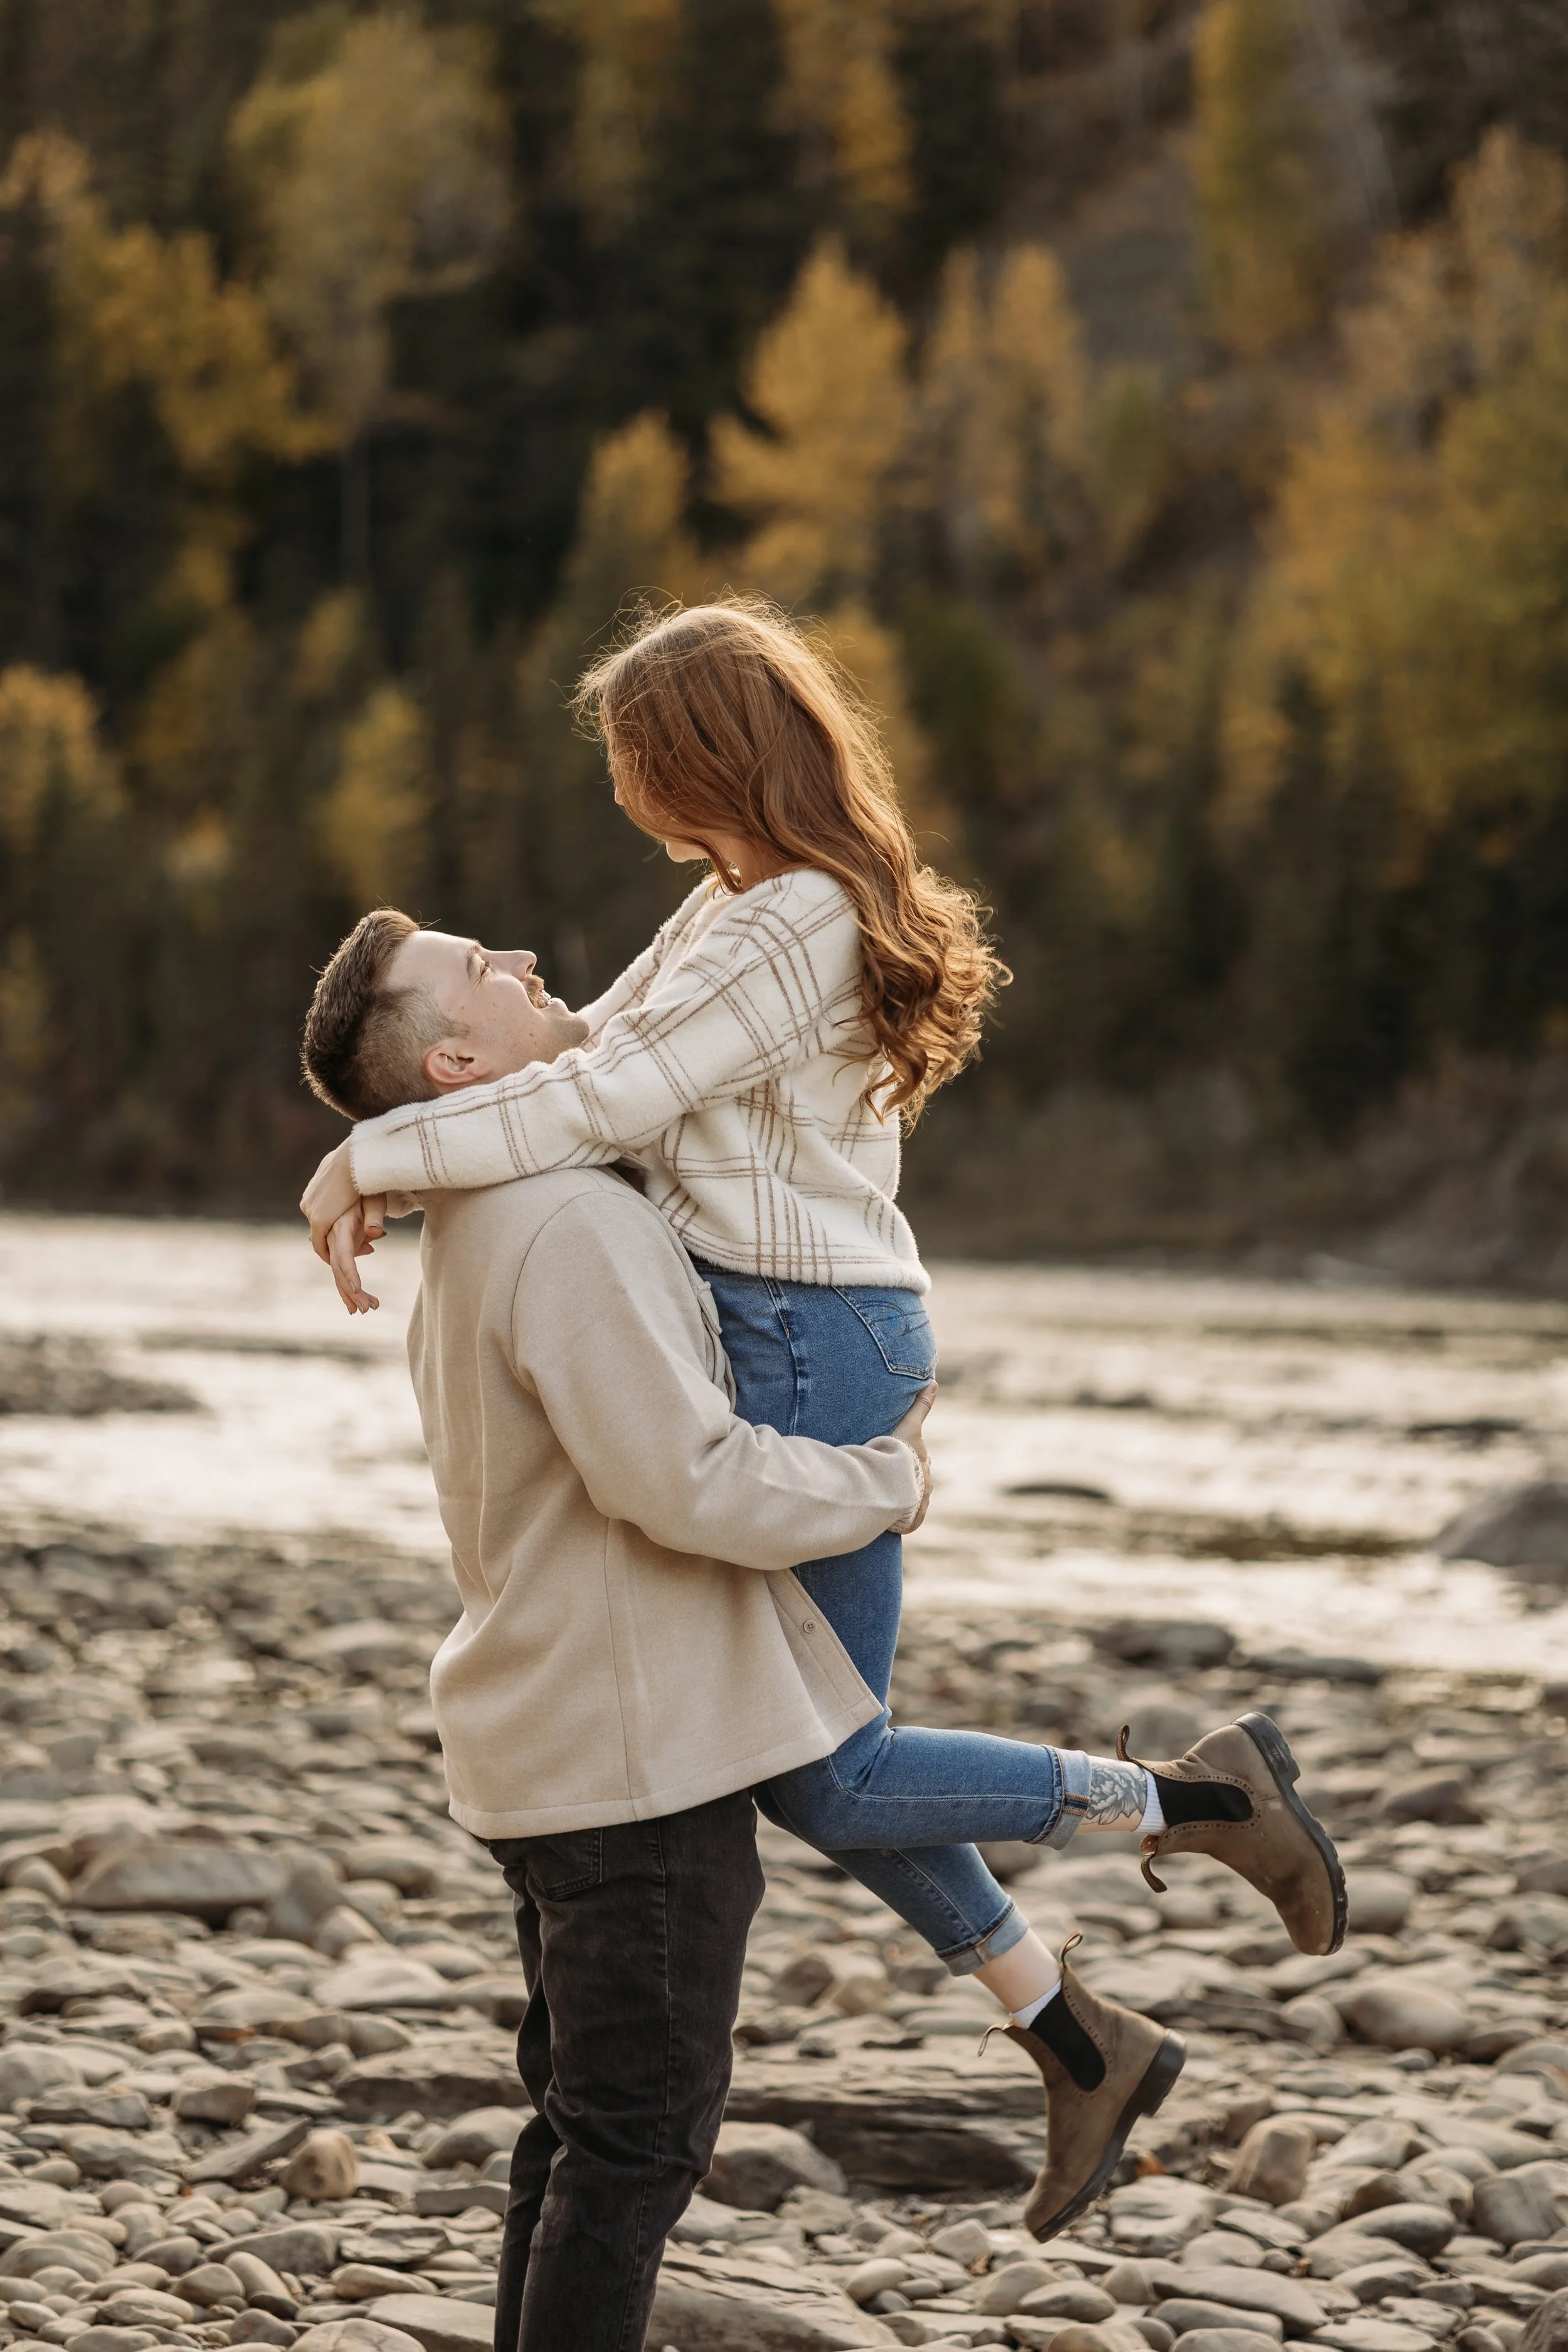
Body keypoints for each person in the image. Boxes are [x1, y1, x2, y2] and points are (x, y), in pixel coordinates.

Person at [300, 599, 1347, 2241]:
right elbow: (589, 1053)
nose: (627, 793)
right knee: (813, 1761)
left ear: (706, 756)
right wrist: (399, 1132)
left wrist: (373, 1156)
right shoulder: (727, 900)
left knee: (827, 1771)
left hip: (812, 1344)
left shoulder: (794, 916)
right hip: (776, 1328)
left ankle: (1199, 1805)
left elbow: (606, 1096)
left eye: (638, 761)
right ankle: (1078, 2035)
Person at [299, 906, 935, 2352]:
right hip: (630, 1762)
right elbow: (683, 1481)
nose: (519, 959)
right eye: (479, 971)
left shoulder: (491, 1205)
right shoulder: (568, 1221)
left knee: (581, 2129)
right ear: (458, 1060)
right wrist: (879, 1482)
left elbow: (674, 996)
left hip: (562, 1741)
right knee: (637, 2147)